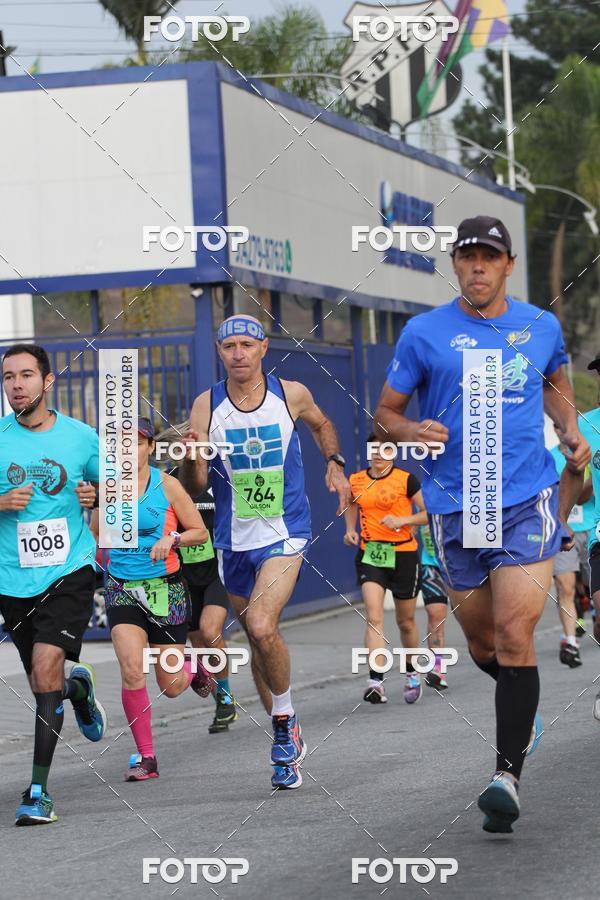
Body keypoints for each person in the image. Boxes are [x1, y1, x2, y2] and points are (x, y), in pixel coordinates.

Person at [374, 216, 589, 834]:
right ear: (455, 262)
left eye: (488, 257)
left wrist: (570, 429)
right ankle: (520, 708)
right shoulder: (424, 334)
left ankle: (506, 775)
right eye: (467, 255)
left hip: (525, 498)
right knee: (482, 645)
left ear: (507, 265)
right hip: (455, 506)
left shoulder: (539, 326)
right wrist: (411, 430)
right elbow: (385, 413)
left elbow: (555, 384)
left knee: (515, 633)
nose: (477, 266)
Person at [180, 314, 351, 790]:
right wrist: (193, 458)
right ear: (220, 352)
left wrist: (334, 463)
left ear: (263, 349)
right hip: (233, 540)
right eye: (229, 345)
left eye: (246, 344)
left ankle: (284, 722)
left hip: (286, 530)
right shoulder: (205, 407)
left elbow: (323, 425)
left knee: (260, 623)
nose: (238, 353)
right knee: (257, 641)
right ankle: (283, 741)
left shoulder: (290, 394)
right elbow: (194, 487)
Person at [0, 344, 107, 826]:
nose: (16, 384)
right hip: (11, 578)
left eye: (25, 375)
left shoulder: (81, 438)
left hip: (69, 569)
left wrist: (97, 492)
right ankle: (77, 689)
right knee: (44, 681)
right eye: (8, 377)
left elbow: (124, 488)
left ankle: (38, 792)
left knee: (44, 669)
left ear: (47, 382)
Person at [91, 418, 211, 781]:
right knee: (131, 669)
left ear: (150, 448)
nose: (130, 450)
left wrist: (172, 539)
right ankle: (147, 757)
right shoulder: (108, 487)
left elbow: (199, 533)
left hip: (166, 588)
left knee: (171, 686)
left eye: (138, 443)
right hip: (122, 588)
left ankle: (192, 668)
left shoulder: (168, 485)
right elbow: (96, 535)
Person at [343, 434, 426, 705]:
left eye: (384, 450)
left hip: (404, 554)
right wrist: (349, 530)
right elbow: (351, 503)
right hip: (372, 554)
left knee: (406, 621)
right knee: (374, 616)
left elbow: (429, 512)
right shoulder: (356, 479)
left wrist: (404, 519)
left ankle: (412, 672)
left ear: (394, 453)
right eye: (374, 450)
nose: (378, 454)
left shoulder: (406, 480)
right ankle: (375, 681)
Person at [176, 481, 238, 734]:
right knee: (198, 642)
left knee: (210, 632)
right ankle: (223, 703)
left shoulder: (219, 478)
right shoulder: (169, 482)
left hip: (217, 573)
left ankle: (224, 697)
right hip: (183, 575)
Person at [550, 424, 593, 667]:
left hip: (590, 527)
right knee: (564, 586)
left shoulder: (588, 450)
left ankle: (588, 612)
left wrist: (574, 486)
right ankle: (570, 643)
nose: (560, 430)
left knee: (588, 587)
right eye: (556, 426)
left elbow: (588, 493)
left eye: (564, 425)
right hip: (563, 529)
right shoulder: (548, 456)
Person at [419, 523, 450, 691]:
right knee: (435, 614)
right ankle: (437, 668)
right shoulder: (419, 497)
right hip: (431, 564)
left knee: (474, 620)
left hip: (461, 564)